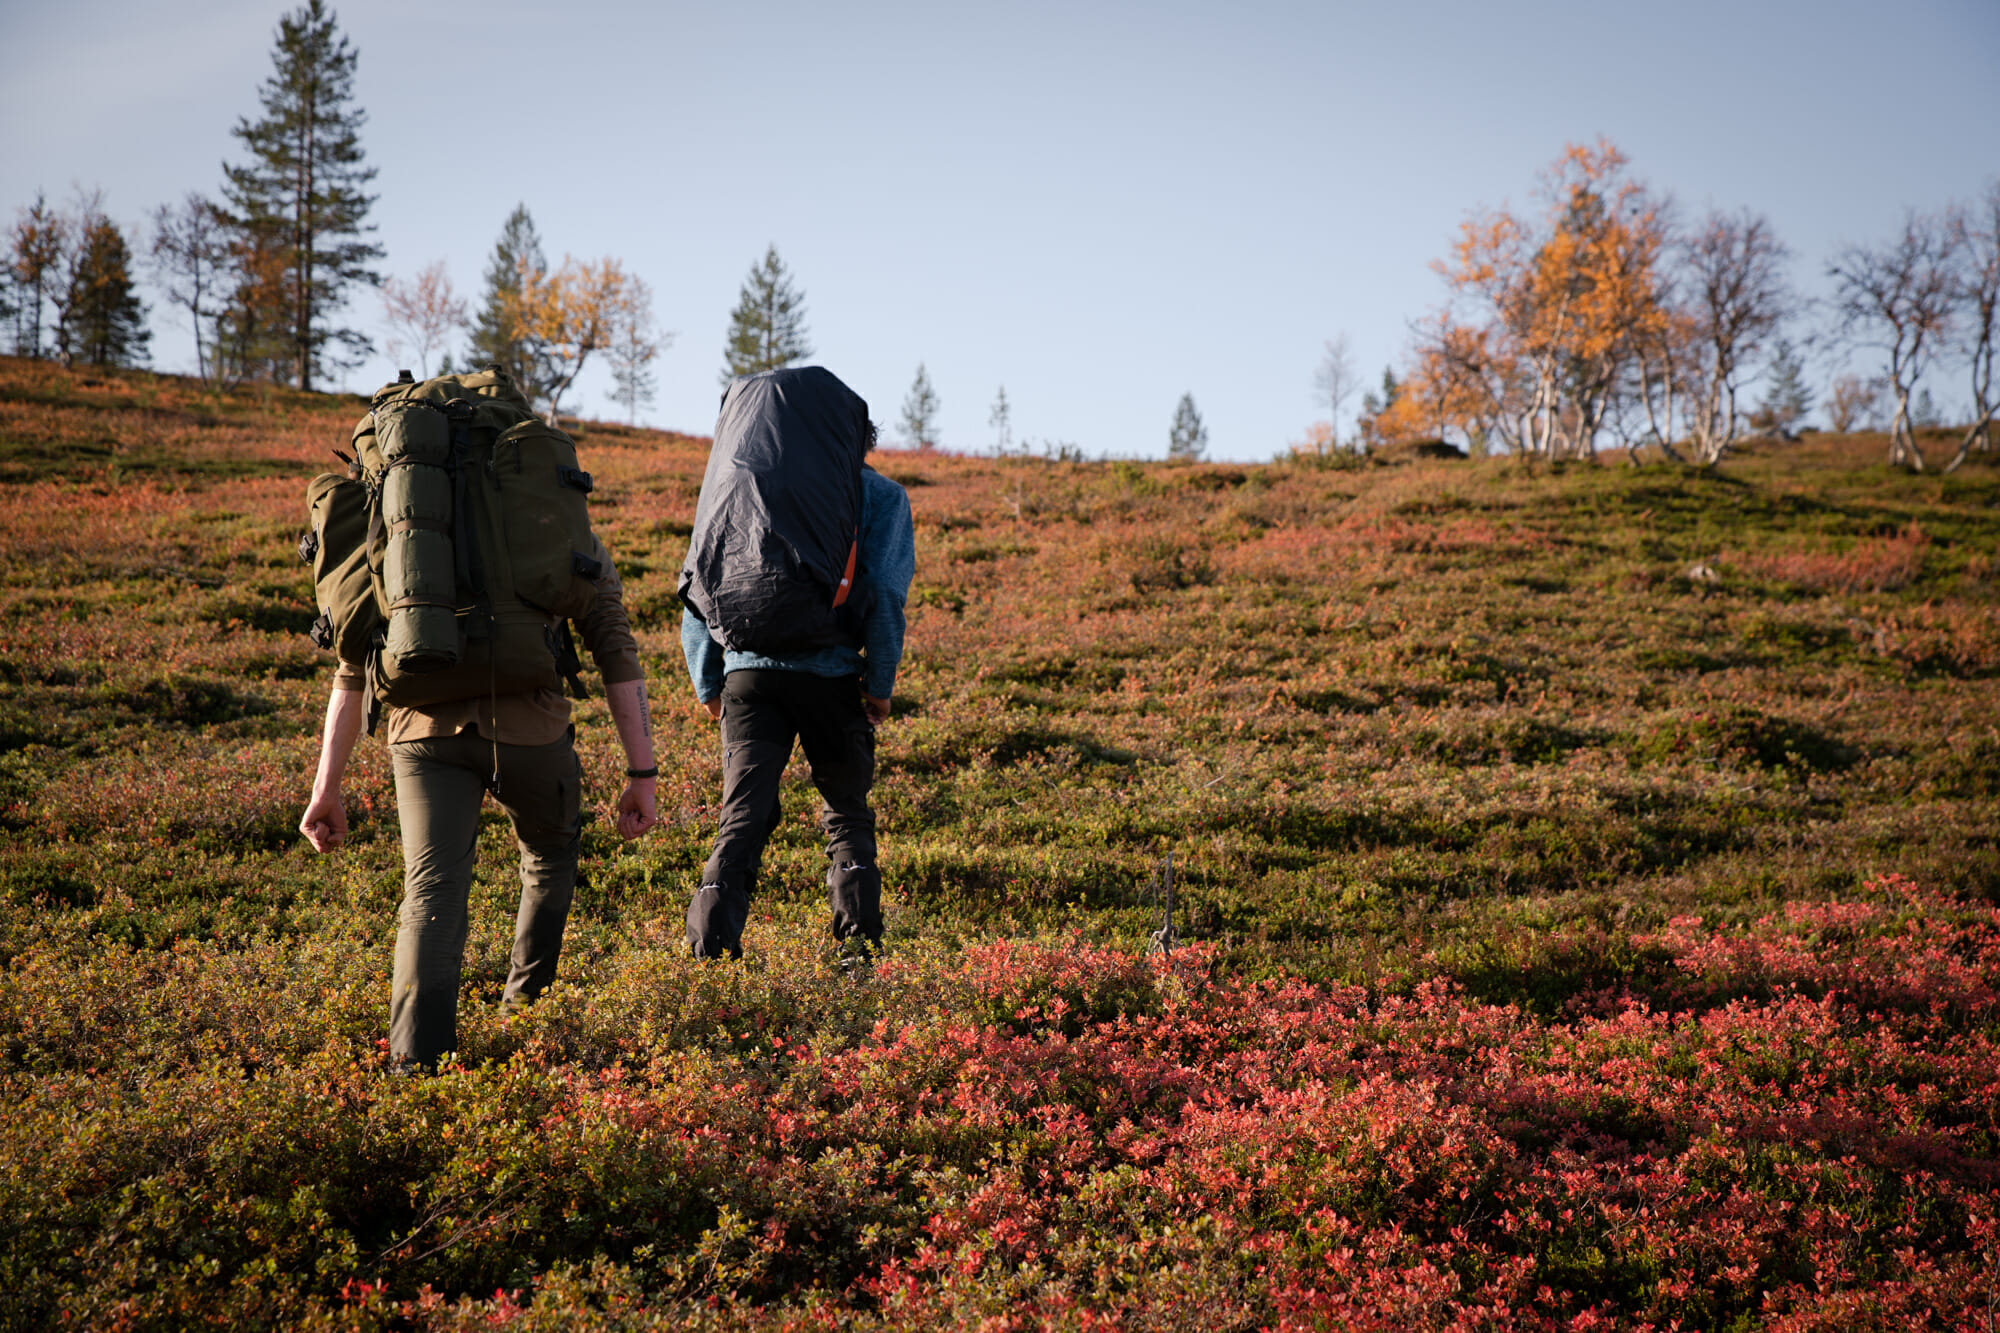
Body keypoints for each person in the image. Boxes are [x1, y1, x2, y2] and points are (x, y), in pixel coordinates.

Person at [298, 535, 660, 1072]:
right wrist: (641, 771)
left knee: (430, 891)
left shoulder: (398, 519)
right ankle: (523, 1015)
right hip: (531, 727)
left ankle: (416, 1065)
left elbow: (355, 662)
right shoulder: (544, 508)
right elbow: (613, 642)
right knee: (550, 855)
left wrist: (326, 788)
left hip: (423, 728)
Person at [680, 419, 916, 961]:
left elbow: (697, 580)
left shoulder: (735, 486)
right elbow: (882, 590)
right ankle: (856, 956)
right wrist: (880, 684)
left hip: (748, 678)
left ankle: (709, 956)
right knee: (846, 813)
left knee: (741, 816)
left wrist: (708, 680)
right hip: (832, 680)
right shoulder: (879, 494)